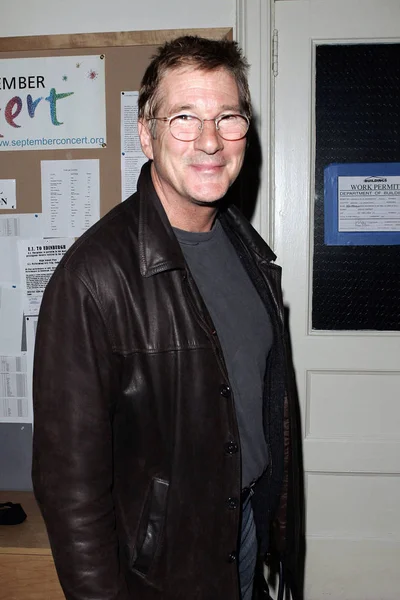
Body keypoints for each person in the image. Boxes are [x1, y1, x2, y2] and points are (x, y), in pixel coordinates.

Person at [32, 36, 303, 600]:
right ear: (146, 133)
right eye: (184, 118)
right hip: (159, 567)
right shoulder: (92, 278)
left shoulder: (248, 250)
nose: (209, 141)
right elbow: (69, 487)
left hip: (243, 527)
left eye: (227, 117)